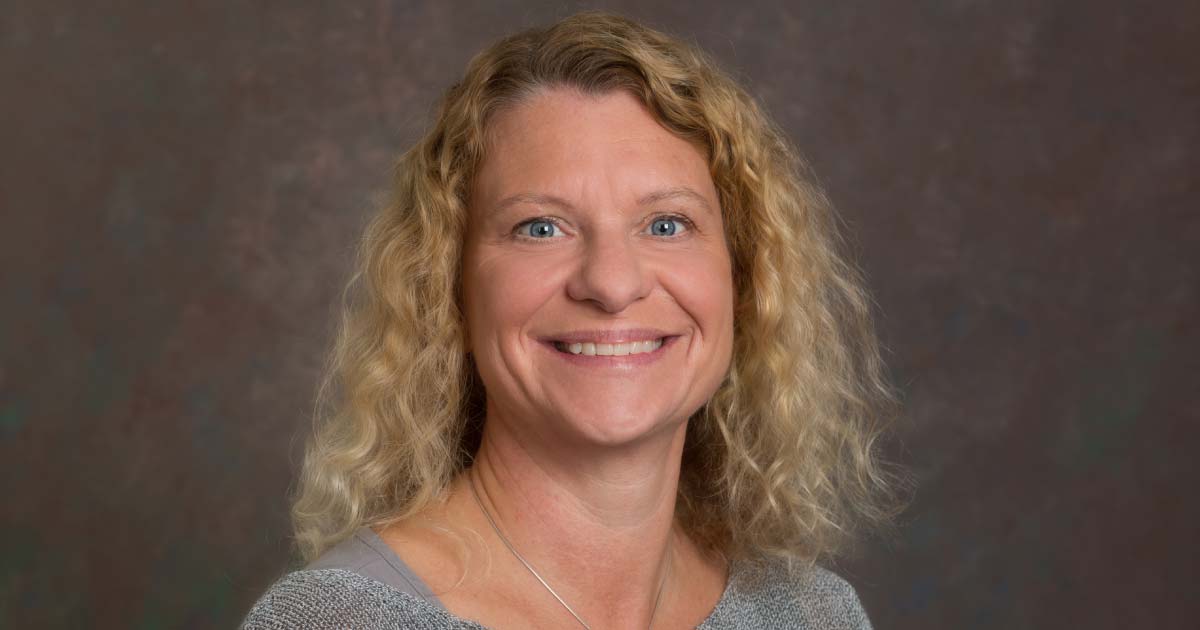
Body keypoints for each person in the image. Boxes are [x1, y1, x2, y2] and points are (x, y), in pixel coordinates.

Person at [242, 10, 904, 629]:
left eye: (667, 224)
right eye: (541, 227)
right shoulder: (335, 620)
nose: (612, 283)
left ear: (744, 277)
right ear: (449, 285)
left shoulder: (812, 614)